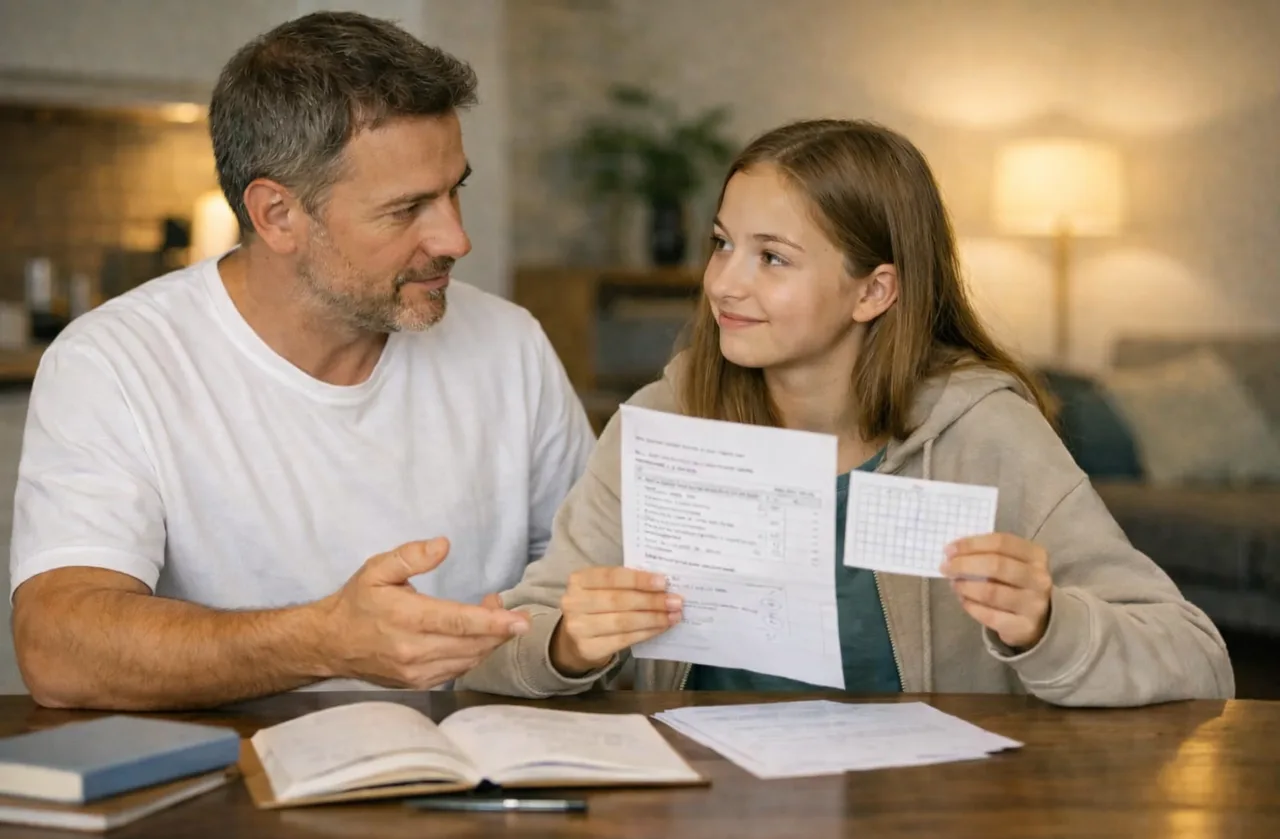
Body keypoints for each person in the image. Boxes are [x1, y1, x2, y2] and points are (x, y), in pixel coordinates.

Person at [459, 119, 1234, 705]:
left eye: (772, 257)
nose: (724, 284)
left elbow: (1198, 661)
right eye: (722, 244)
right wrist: (567, 644)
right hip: (700, 811)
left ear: (875, 291)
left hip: (923, 818)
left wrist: (1048, 625)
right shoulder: (664, 419)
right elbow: (498, 654)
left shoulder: (984, 430)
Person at [9, 12, 594, 711]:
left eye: (453, 189)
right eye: (407, 208)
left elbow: (588, 576)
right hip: (227, 791)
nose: (456, 238)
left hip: (478, 778)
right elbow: (57, 648)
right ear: (277, 215)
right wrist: (323, 640)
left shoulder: (509, 344)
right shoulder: (114, 363)